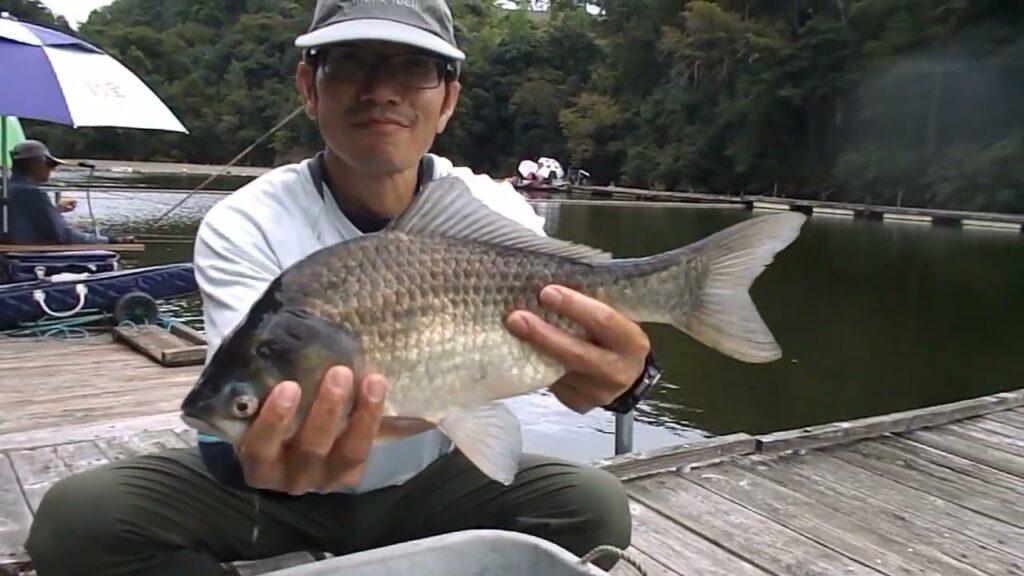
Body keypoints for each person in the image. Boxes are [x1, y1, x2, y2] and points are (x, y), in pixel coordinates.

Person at [24, 1, 663, 574]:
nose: (381, 90)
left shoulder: (492, 213)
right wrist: (251, 451)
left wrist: (632, 377)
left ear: (446, 100)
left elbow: (585, 349)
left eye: (414, 69)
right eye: (352, 65)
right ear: (310, 86)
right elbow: (241, 398)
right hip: (267, 492)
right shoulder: (245, 221)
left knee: (594, 507)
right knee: (77, 521)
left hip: (434, 479)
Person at [2, 139, 132, 245]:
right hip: (28, 260)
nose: (52, 170)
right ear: (38, 163)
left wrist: (55, 210)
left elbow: (23, 220)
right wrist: (110, 240)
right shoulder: (31, 193)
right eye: (51, 164)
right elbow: (62, 235)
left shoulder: (6, 188)